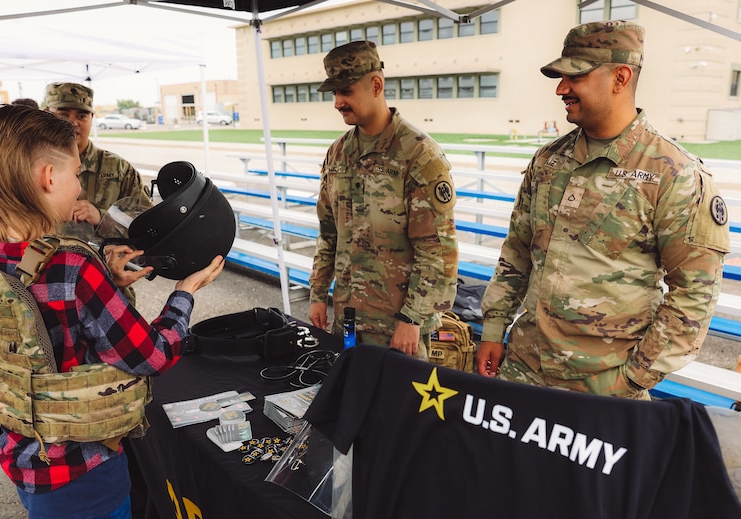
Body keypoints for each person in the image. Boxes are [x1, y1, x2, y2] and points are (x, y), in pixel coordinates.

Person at [0, 103, 224, 519]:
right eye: (76, 173)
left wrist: (105, 273)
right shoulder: (70, 266)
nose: (81, 184)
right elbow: (153, 355)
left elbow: (46, 310)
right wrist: (185, 292)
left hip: (25, 462)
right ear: (49, 177)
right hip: (83, 478)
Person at [475, 21, 730, 399]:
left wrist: (630, 380)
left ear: (620, 78)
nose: (561, 88)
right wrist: (494, 330)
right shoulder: (549, 160)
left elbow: (694, 296)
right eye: (560, 77)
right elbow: (517, 253)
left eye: (574, 76)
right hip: (523, 370)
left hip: (604, 388)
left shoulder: (673, 173)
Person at [307, 40, 459, 360]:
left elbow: (437, 249)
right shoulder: (337, 153)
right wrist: (318, 294)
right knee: (350, 400)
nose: (337, 102)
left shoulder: (417, 154)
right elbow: (328, 234)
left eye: (346, 91)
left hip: (397, 328)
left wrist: (412, 318)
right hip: (347, 320)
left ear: (376, 85)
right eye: (334, 93)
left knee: (400, 408)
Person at [43, 82, 152, 230]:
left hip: (102, 253)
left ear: (92, 117)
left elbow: (148, 221)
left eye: (81, 116)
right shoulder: (32, 167)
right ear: (46, 113)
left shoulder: (118, 168)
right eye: (63, 114)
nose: (73, 122)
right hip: (45, 253)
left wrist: (103, 218)